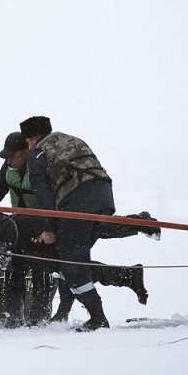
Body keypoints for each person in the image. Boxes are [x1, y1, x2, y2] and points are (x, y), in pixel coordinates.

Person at [0, 132, 160, 328]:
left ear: (26, 152)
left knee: (97, 233)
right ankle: (125, 276)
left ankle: (140, 225)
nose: (9, 161)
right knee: (60, 265)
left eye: (12, 156)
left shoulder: (42, 165)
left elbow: (53, 197)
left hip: (51, 224)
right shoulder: (9, 167)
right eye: (6, 157)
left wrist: (48, 227)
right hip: (24, 230)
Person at [21, 116, 123, 331]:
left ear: (35, 138)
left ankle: (98, 319)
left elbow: (44, 196)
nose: (28, 147)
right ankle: (64, 315)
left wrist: (48, 228)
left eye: (28, 142)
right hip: (105, 198)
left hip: (78, 203)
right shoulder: (72, 140)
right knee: (74, 259)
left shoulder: (38, 154)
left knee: (73, 265)